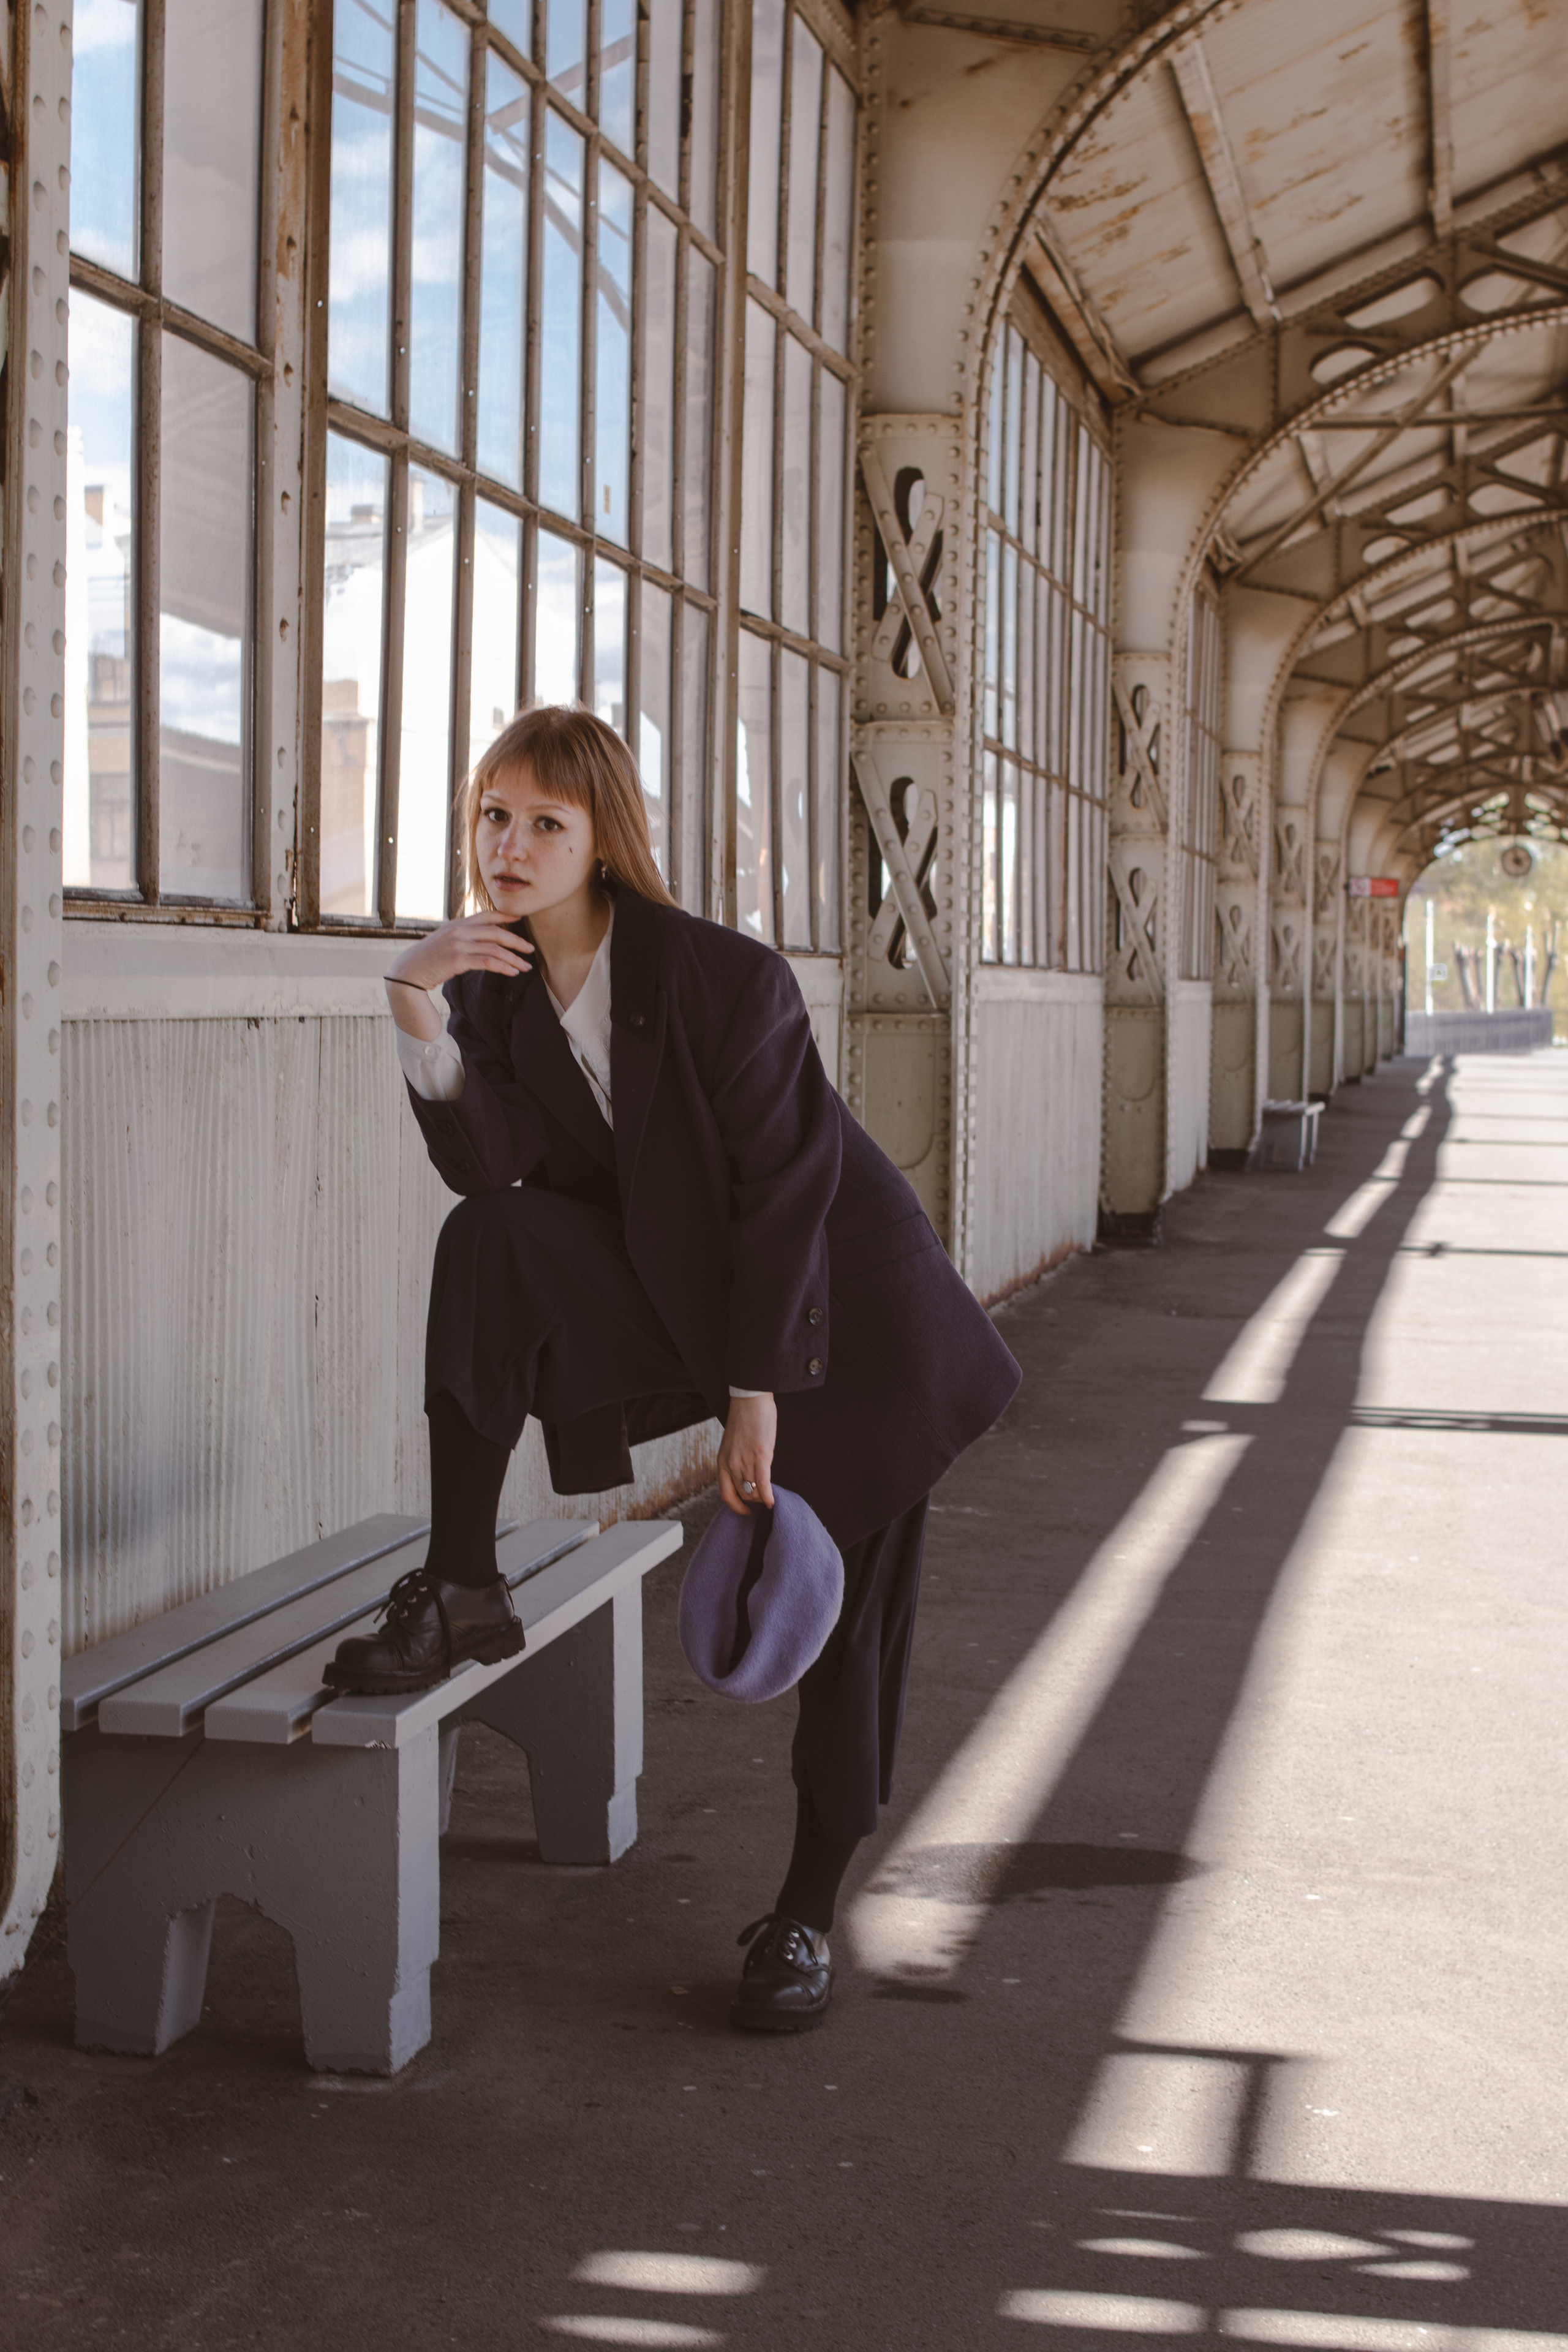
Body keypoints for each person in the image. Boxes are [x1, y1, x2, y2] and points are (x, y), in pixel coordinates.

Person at [325, 706, 1020, 2030]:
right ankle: (464, 1577)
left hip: (846, 1314)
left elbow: (781, 1198)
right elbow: (493, 1171)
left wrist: (752, 1402)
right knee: (491, 1240)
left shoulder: (721, 976)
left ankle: (807, 1916)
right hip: (689, 1297)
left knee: (833, 1612)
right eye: (489, 814)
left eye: (543, 822)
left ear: (602, 840)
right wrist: (415, 1006)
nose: (507, 845)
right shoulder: (487, 985)